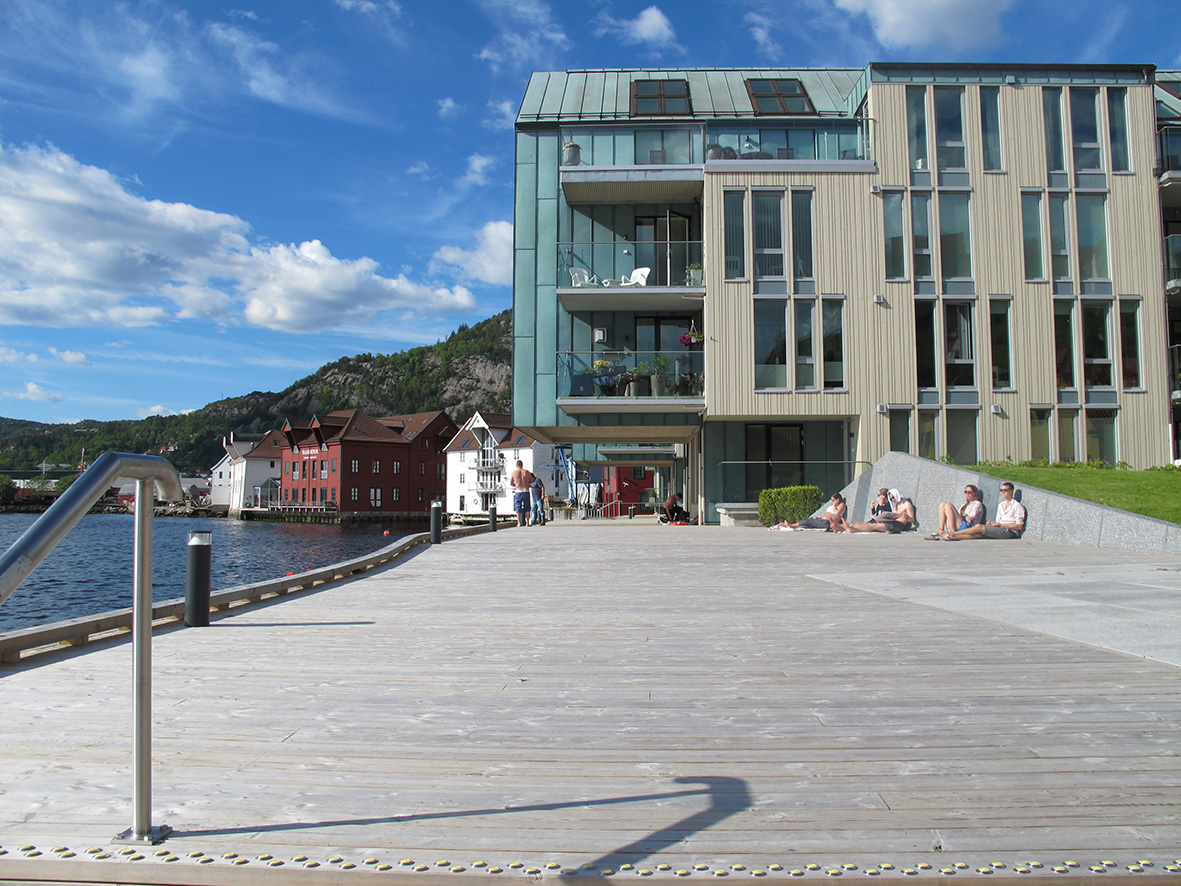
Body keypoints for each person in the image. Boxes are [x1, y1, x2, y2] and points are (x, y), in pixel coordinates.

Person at [938, 482, 1025, 540]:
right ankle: (951, 536)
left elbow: (1019, 526)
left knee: (979, 527)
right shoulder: (1001, 505)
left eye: (1005, 490)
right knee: (979, 535)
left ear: (1011, 491)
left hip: (1009, 531)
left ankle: (952, 533)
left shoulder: (1017, 506)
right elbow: (998, 521)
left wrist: (1001, 525)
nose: (1003, 492)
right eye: (1001, 490)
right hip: (1000, 528)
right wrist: (992, 524)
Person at [839, 488, 916, 533]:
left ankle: (853, 529)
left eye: (893, 497)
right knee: (865, 524)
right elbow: (891, 514)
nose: (892, 500)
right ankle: (846, 526)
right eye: (891, 498)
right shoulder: (895, 504)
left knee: (874, 526)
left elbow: (912, 520)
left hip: (898, 524)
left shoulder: (907, 504)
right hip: (892, 521)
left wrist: (906, 517)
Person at [772, 492, 847, 530]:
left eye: (833, 500)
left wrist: (834, 505)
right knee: (808, 524)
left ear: (838, 500)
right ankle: (792, 526)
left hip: (828, 522)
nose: (832, 502)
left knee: (808, 521)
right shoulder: (833, 506)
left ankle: (791, 525)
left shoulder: (841, 505)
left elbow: (838, 513)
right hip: (822, 521)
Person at [509, 460, 534, 527]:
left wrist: (516, 485)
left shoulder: (514, 473)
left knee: (518, 507)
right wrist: (527, 483)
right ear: (522, 465)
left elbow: (511, 482)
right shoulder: (526, 472)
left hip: (518, 491)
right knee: (527, 507)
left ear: (517, 465)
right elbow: (531, 480)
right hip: (525, 490)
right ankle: (527, 522)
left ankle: (519, 523)